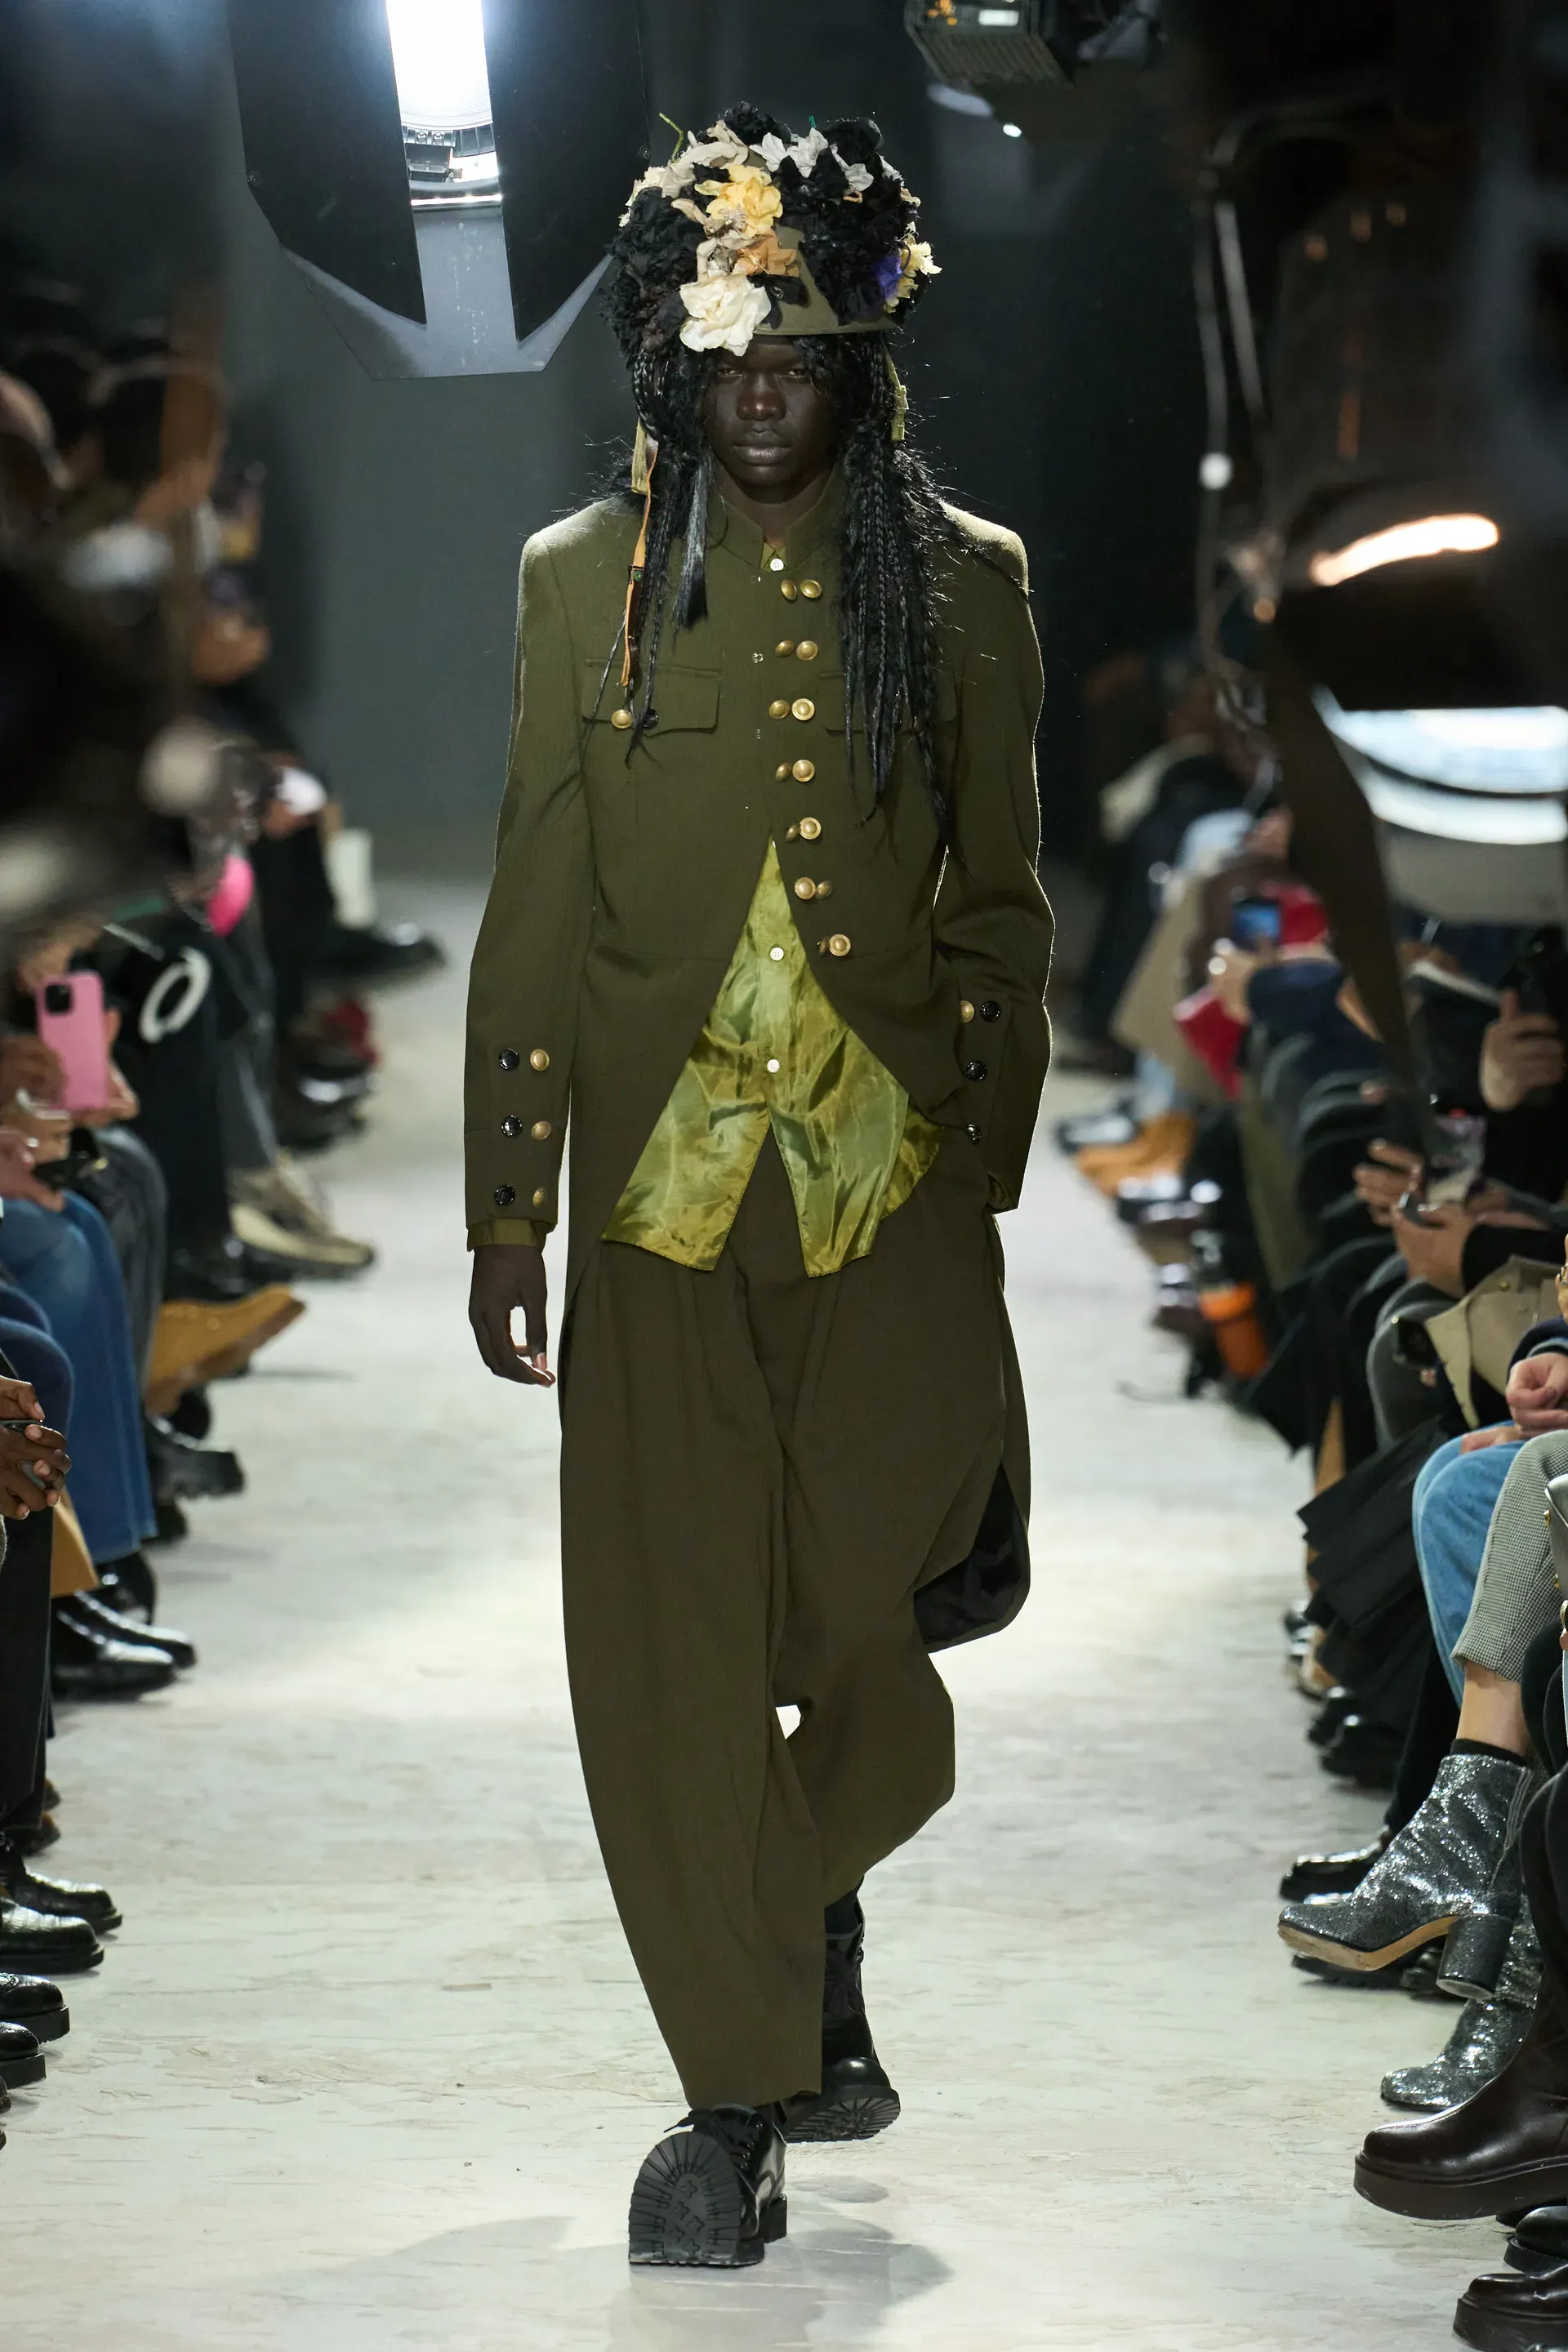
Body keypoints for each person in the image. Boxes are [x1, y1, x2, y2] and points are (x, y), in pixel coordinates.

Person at [465, 107, 1054, 2268]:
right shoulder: (581, 585)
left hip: (889, 1197)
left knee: (870, 1634)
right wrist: (506, 1203)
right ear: (674, 364)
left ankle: (802, 1909)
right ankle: (734, 2092)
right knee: (671, 1653)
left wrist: (977, 1175)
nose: (765, 393)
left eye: (804, 354)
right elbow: (536, 905)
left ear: (862, 367)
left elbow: (1000, 905)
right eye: (729, 356)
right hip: (658, 1203)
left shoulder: (966, 587)